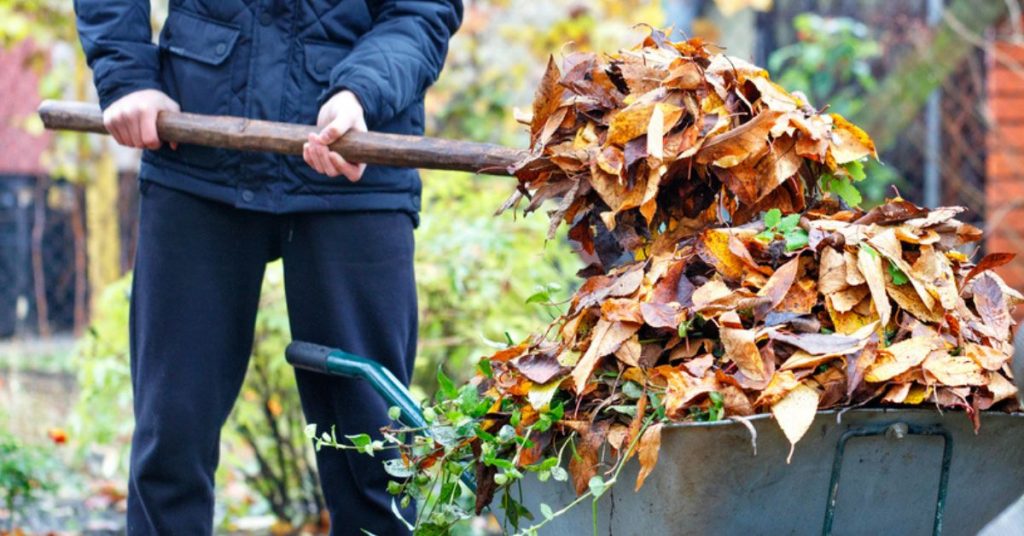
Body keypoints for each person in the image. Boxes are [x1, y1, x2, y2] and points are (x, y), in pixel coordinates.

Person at [73, 1, 462, 534]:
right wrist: (126, 74)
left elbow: (421, 8)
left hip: (355, 162)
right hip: (196, 148)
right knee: (171, 442)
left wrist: (361, 91)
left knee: (375, 453)